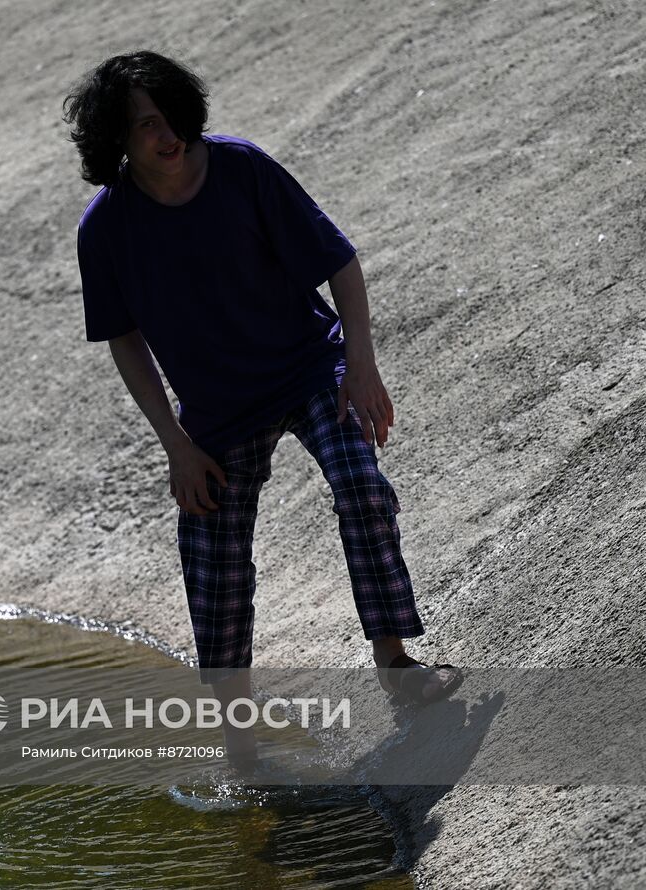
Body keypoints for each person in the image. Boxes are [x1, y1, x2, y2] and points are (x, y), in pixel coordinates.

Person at [64, 51, 461, 759]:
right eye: (145, 126)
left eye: (171, 114)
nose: (166, 134)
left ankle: (396, 662)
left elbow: (338, 262)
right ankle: (235, 727)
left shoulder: (243, 169)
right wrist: (176, 446)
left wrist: (361, 366)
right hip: (216, 414)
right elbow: (124, 340)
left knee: (363, 488)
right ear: (115, 144)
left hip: (310, 371)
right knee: (212, 559)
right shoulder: (106, 230)